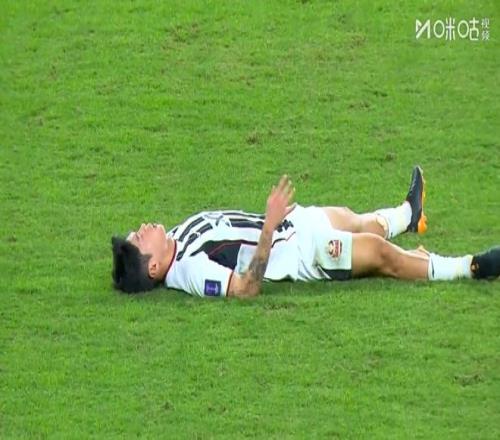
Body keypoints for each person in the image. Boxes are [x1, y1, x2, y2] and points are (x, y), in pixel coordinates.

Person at [111, 167, 499, 298]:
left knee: (354, 219)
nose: (142, 229)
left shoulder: (174, 239)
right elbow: (245, 289)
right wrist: (268, 225)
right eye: (138, 239)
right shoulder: (190, 270)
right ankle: (469, 268)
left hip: (292, 226)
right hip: (302, 254)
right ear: (154, 267)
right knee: (380, 254)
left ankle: (409, 215)